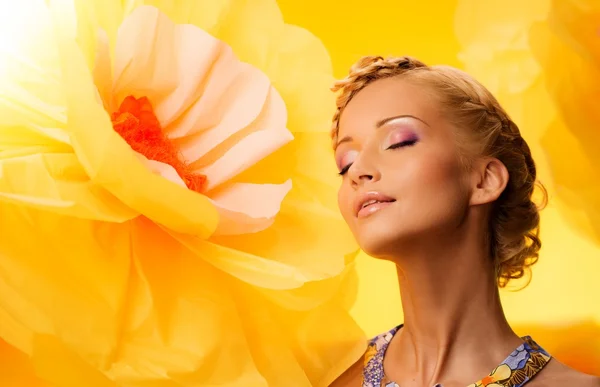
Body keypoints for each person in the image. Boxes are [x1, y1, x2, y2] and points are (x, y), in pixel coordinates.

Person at [329, 56, 600, 387]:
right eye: (346, 162)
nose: (358, 171)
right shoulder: (323, 378)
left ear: (485, 180)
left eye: (398, 141)